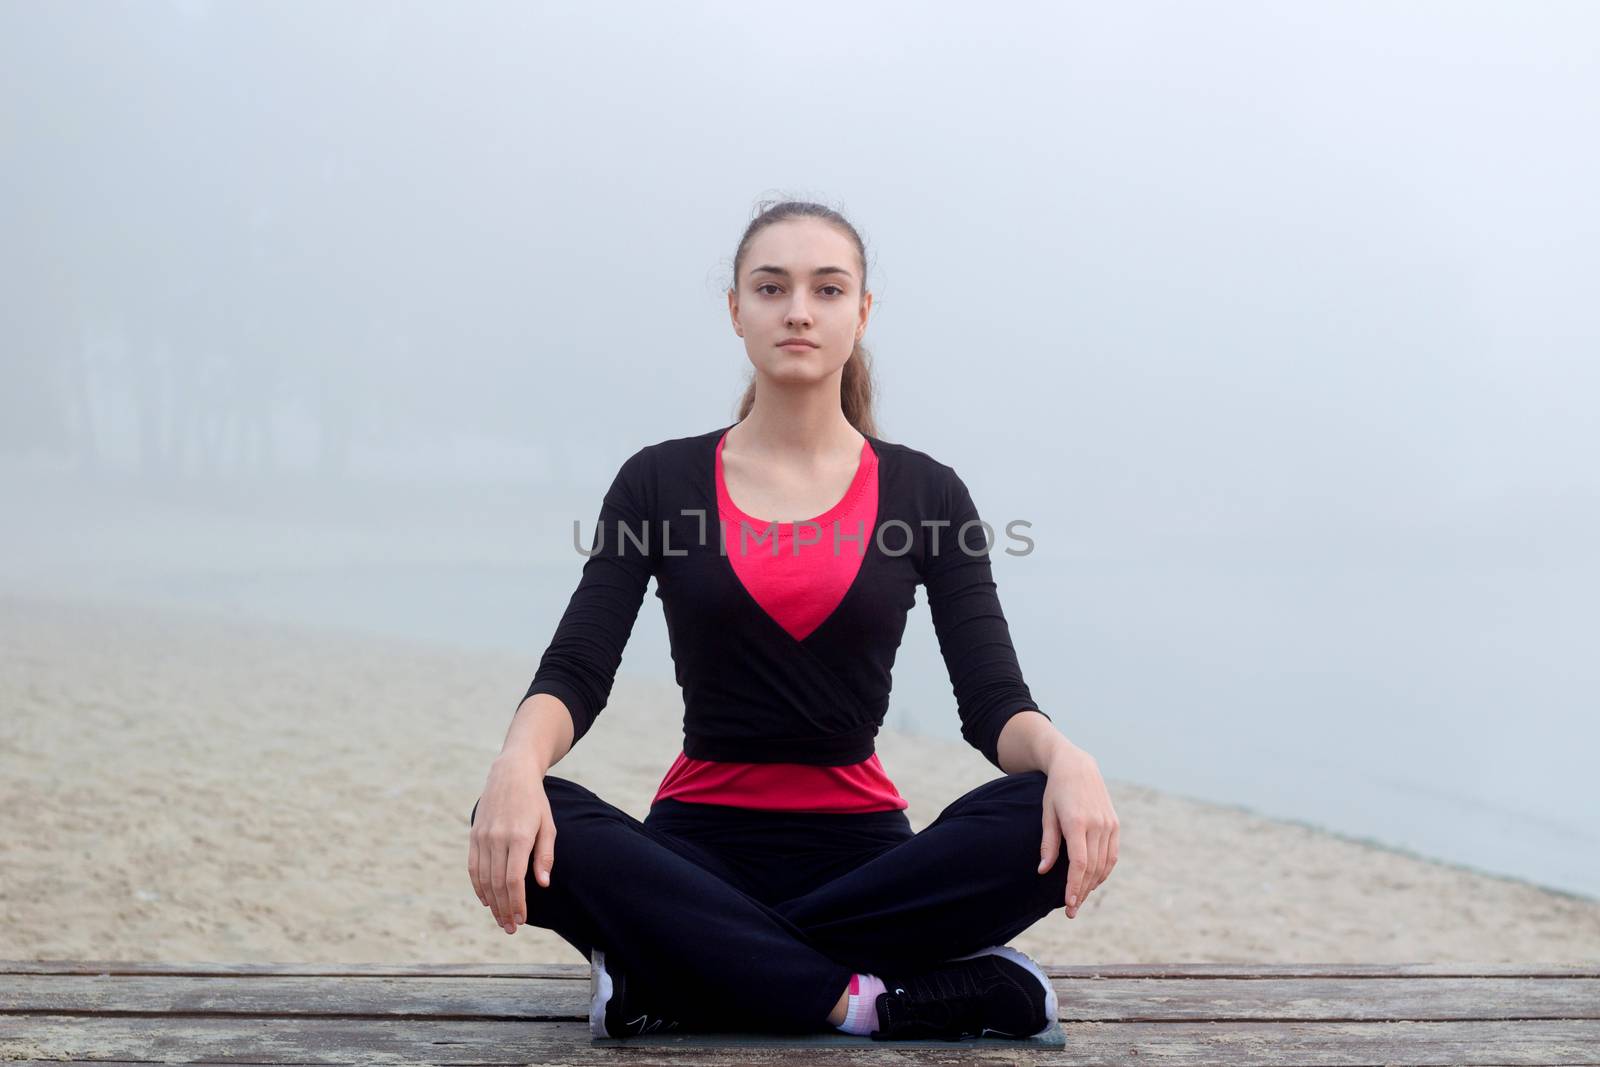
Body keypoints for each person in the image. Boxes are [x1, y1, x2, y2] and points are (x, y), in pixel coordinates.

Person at [466, 199, 1121, 1042]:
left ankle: (678, 971)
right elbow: (578, 669)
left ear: (862, 312)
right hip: (693, 852)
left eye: (827, 288)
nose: (799, 310)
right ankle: (871, 1001)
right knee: (523, 807)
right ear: (737, 310)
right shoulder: (659, 482)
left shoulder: (927, 494)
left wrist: (1068, 760)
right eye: (771, 288)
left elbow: (993, 703)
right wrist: (517, 762)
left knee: (1050, 812)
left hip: (869, 858)